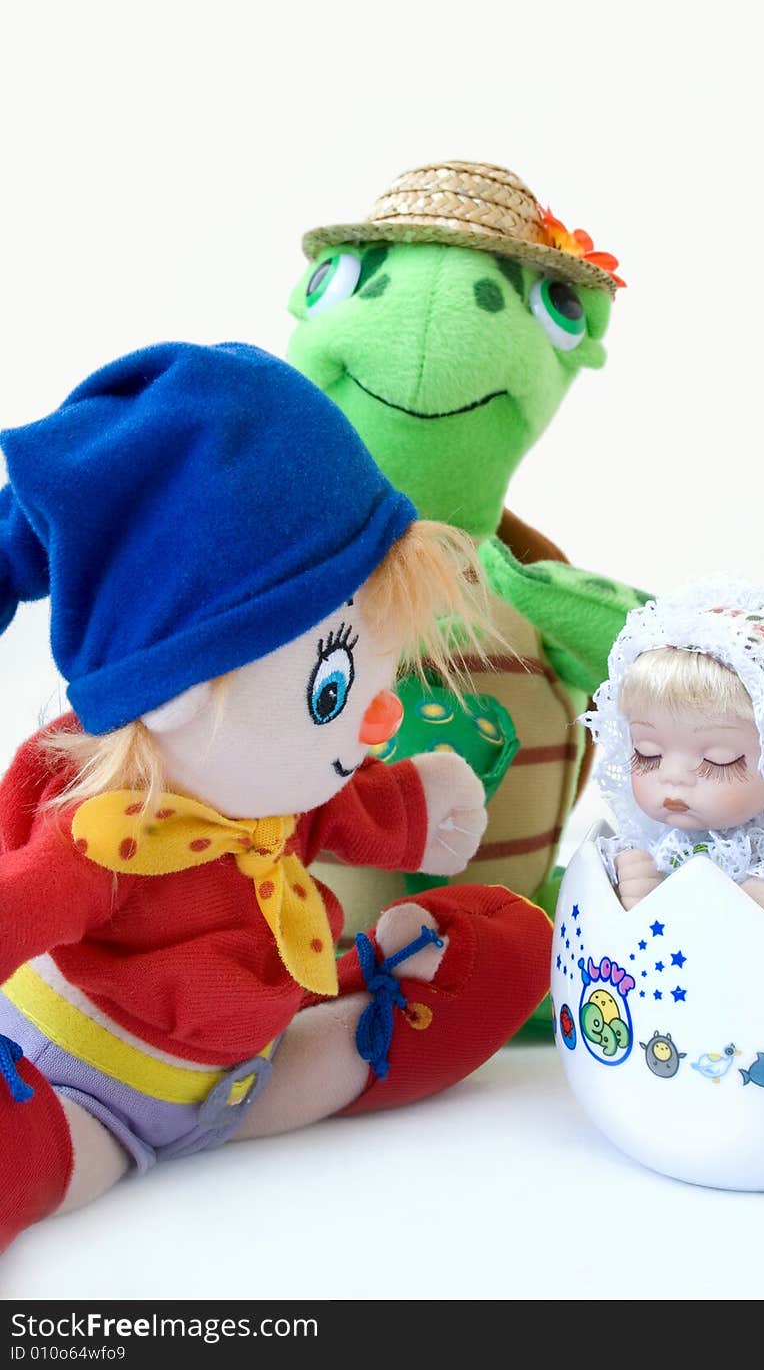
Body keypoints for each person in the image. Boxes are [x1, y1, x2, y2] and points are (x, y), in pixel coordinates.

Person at [0, 342, 551, 1251]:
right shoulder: (106, 841)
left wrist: (413, 803)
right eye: (334, 692)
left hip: (255, 1069)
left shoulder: (276, 785)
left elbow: (345, 808)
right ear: (171, 693)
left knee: (494, 947)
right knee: (31, 1157)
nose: (378, 719)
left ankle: (364, 1014)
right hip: (96, 1097)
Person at [581, 577, 764, 918]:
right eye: (647, 753)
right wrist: (630, 879)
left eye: (717, 759)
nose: (674, 777)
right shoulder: (654, 839)